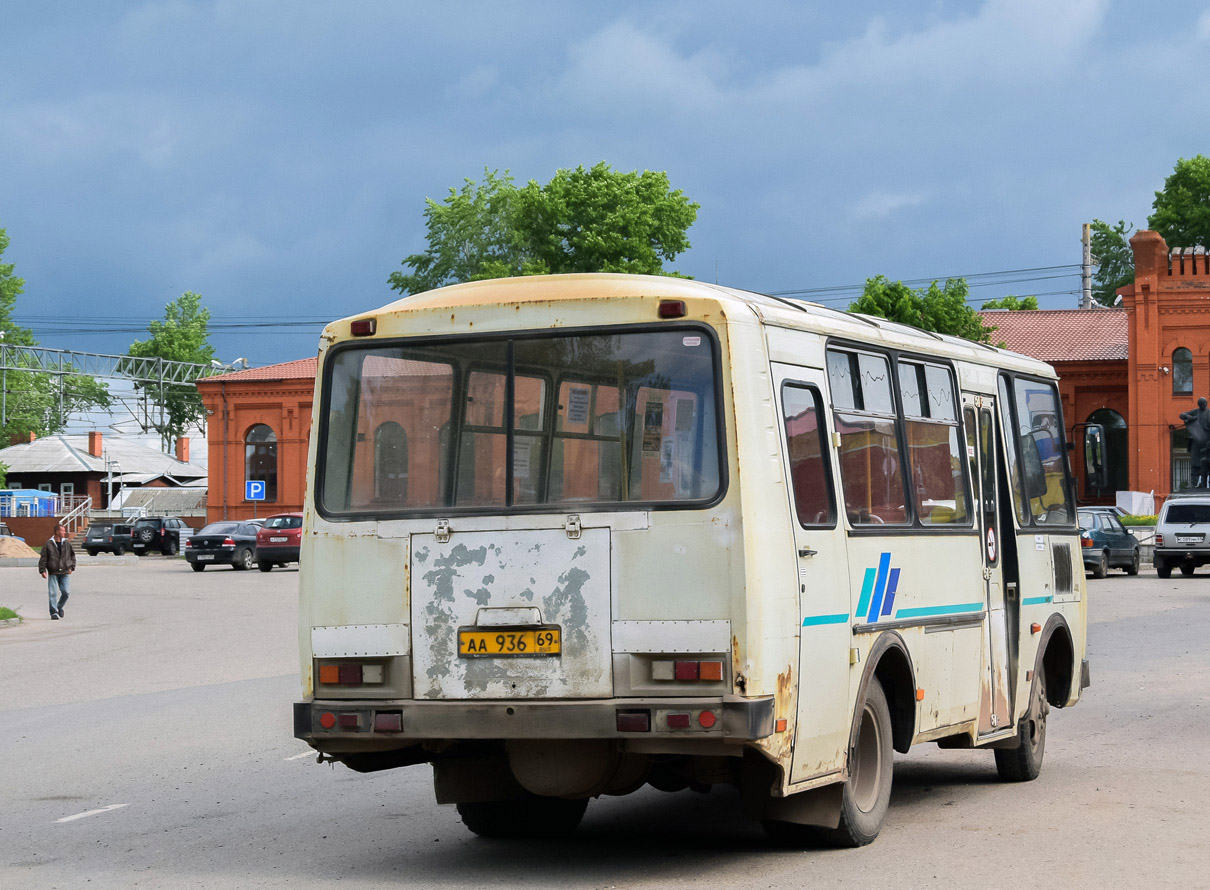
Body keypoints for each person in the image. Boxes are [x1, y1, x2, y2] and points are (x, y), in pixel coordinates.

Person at [38, 523, 76, 620]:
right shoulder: (48, 544)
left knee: (66, 592)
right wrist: (42, 570)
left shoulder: (67, 543)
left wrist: (71, 567)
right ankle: (53, 612)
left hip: (65, 572)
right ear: (57, 532)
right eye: (63, 531)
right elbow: (43, 558)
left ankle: (59, 607)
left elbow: (72, 556)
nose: (64, 532)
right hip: (53, 572)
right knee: (53, 593)